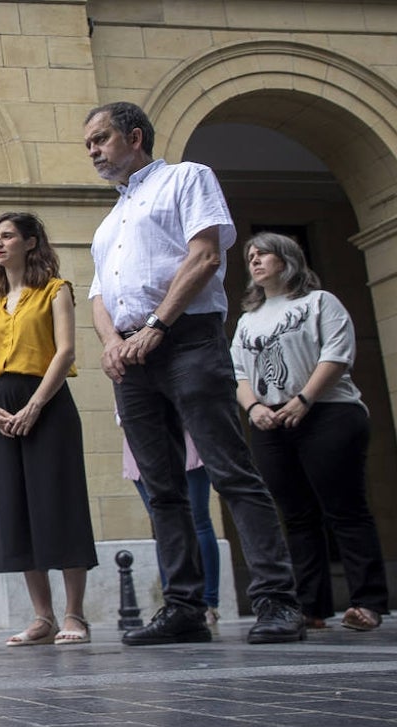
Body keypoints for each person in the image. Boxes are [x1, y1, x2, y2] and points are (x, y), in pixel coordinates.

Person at [84, 101, 304, 645]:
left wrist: (159, 323)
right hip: (132, 358)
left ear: (135, 136)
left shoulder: (187, 178)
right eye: (88, 144)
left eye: (101, 138)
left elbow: (204, 255)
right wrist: (112, 342)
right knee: (161, 489)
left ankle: (276, 601)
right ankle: (183, 607)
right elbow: (97, 294)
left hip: (187, 340)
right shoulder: (108, 222)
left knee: (231, 472)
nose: (93, 150)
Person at [232, 231, 389, 632]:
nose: (254, 259)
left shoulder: (320, 302)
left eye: (263, 253)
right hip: (271, 423)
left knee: (345, 510)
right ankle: (311, 607)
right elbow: (238, 374)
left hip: (329, 413)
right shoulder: (248, 320)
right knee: (297, 517)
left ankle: (367, 603)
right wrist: (253, 409)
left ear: (287, 260)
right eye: (250, 255)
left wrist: (304, 399)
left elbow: (336, 355)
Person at [0, 212, 97, 647]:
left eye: (7, 235)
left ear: (31, 243)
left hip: (46, 404)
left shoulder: (56, 290)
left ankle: (75, 615)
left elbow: (64, 353)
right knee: (18, 509)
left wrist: (35, 405)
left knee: (58, 505)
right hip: (3, 410)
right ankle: (42, 617)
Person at [121, 427, 222, 625]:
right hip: (142, 447)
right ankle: (174, 602)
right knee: (162, 527)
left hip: (185, 442)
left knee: (197, 520)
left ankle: (208, 603)